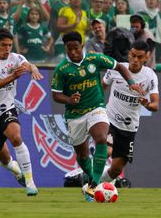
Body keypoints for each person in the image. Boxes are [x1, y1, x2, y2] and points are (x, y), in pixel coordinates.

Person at [51, 31, 144, 201]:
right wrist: (69, 99)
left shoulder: (94, 59)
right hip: (75, 115)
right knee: (82, 156)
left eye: (76, 48)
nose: (73, 52)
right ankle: (88, 177)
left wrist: (131, 83)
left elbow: (119, 66)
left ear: (82, 45)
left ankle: (94, 184)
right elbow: (56, 95)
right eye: (69, 49)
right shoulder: (62, 69)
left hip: (96, 108)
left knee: (101, 138)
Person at [0, 28, 43, 196]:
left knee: (16, 137)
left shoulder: (16, 58)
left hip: (7, 109)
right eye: (3, 45)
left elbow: (27, 64)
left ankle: (30, 182)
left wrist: (33, 69)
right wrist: (13, 77)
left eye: (10, 45)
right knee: (4, 159)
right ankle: (15, 169)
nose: (7, 49)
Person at [100, 40, 159, 184]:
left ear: (146, 57)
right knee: (106, 151)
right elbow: (101, 88)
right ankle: (93, 183)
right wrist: (97, 108)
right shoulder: (117, 69)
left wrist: (147, 104)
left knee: (116, 169)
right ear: (129, 54)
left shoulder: (149, 76)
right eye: (133, 55)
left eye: (139, 57)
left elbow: (156, 105)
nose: (135, 60)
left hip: (129, 127)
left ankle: (94, 183)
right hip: (109, 120)